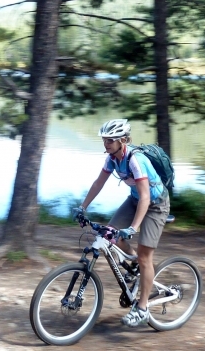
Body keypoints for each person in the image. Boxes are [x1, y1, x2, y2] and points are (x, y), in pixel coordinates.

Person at [72, 118, 170, 327]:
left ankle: (142, 308)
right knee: (108, 234)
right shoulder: (112, 158)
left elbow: (146, 197)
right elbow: (99, 183)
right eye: (104, 140)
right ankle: (134, 265)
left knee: (145, 257)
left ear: (122, 140)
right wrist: (83, 207)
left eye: (110, 140)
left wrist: (133, 228)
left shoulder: (136, 160)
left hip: (156, 204)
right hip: (135, 200)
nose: (106, 144)